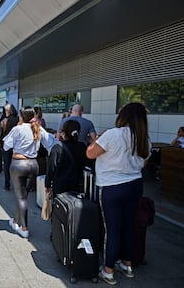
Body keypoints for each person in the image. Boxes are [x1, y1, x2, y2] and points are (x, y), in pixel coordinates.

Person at [86, 102, 150, 285]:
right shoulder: (144, 138)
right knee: (128, 226)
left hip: (112, 187)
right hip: (135, 185)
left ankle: (108, 271)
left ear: (124, 116)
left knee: (112, 230)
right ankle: (127, 264)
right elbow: (143, 163)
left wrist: (98, 140)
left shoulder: (113, 134)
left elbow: (90, 153)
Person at [3, 107, 58, 238]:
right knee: (23, 196)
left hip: (18, 164)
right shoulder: (38, 128)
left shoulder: (18, 129)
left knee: (21, 197)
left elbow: (6, 146)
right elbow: (51, 143)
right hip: (33, 164)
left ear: (21, 116)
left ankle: (24, 228)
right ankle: (15, 220)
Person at [46, 120, 87, 197]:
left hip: (59, 186)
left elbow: (51, 168)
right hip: (77, 185)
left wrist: (47, 185)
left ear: (63, 132)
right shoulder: (82, 147)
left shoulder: (57, 148)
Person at [0, 103, 19, 190]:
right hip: (16, 146)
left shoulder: (3, 122)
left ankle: (7, 184)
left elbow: (0, 135)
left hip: (6, 146)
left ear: (7, 111)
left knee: (7, 165)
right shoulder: (17, 120)